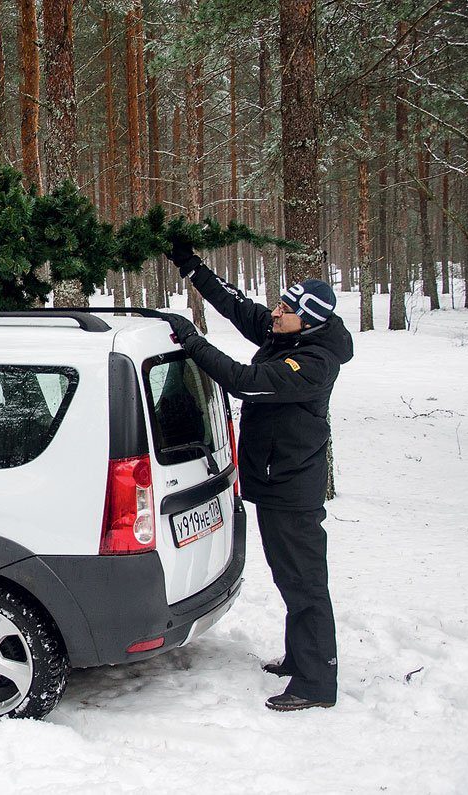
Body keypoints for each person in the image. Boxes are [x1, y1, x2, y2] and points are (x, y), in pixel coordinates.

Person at [164, 240, 354, 712]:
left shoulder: (312, 363)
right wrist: (192, 267)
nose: (275, 312)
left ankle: (315, 683)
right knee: (290, 576)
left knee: (304, 582)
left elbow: (243, 381)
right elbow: (236, 306)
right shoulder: (286, 336)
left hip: (293, 488)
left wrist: (192, 341)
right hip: (276, 480)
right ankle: (300, 658)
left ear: (308, 320)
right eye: (280, 303)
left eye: (286, 309)